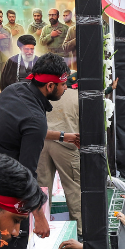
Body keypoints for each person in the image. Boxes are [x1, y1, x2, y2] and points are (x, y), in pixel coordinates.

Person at [0, 54, 79, 249]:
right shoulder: (35, 117)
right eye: (63, 84)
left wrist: (63, 136)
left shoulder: (14, 91)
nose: (66, 87)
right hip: (4, 195)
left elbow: (24, 129)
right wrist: (39, 217)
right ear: (50, 85)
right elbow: (26, 174)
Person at [36, 61, 82, 234]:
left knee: (43, 187)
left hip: (41, 143)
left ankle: (42, 226)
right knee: (72, 187)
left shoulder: (43, 94)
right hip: (67, 143)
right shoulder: (77, 96)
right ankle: (79, 228)